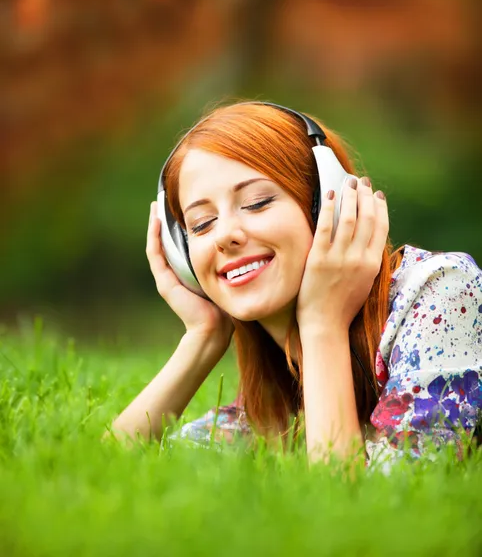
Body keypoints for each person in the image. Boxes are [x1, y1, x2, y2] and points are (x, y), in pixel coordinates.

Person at [109, 101, 482, 466]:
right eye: (202, 224)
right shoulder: (272, 400)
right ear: (181, 256)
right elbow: (100, 472)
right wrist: (202, 337)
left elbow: (363, 511)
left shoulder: (443, 291)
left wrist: (323, 324)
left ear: (327, 207)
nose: (224, 235)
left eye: (257, 202)